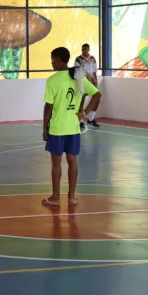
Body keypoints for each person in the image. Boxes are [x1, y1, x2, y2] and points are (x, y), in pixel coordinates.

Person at [42, 47, 101, 206]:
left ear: (59, 60)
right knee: (72, 161)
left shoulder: (52, 80)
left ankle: (55, 197)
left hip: (57, 128)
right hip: (73, 128)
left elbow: (48, 107)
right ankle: (71, 197)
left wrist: (44, 128)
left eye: (53, 60)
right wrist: (84, 113)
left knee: (56, 164)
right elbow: (97, 94)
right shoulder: (77, 76)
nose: (52, 63)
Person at [74, 43, 100, 128]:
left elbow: (94, 71)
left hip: (92, 80)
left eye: (86, 49)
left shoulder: (92, 59)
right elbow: (77, 71)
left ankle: (91, 118)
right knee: (81, 100)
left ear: (89, 49)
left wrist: (96, 82)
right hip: (83, 80)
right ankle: (80, 120)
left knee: (97, 98)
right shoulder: (78, 59)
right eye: (83, 49)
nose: (84, 50)